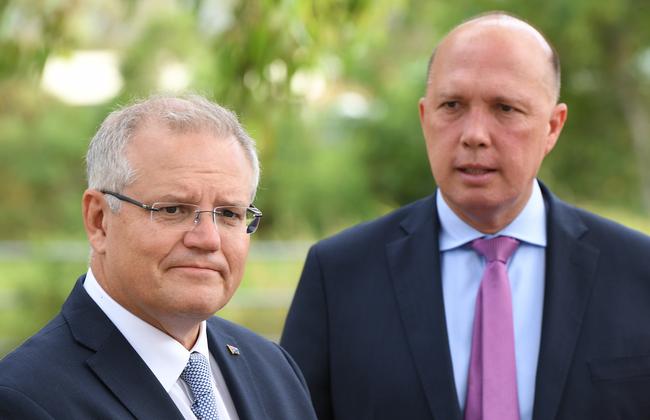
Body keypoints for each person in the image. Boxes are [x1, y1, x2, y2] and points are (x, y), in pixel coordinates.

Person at [281, 11, 650, 420]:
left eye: (505, 108)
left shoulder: (637, 271)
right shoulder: (339, 275)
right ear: (425, 118)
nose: (474, 133)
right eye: (452, 105)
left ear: (552, 127)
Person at [0, 94, 317, 420]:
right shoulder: (23, 401)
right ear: (99, 220)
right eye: (173, 209)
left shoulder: (275, 370)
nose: (208, 239)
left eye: (228, 214)